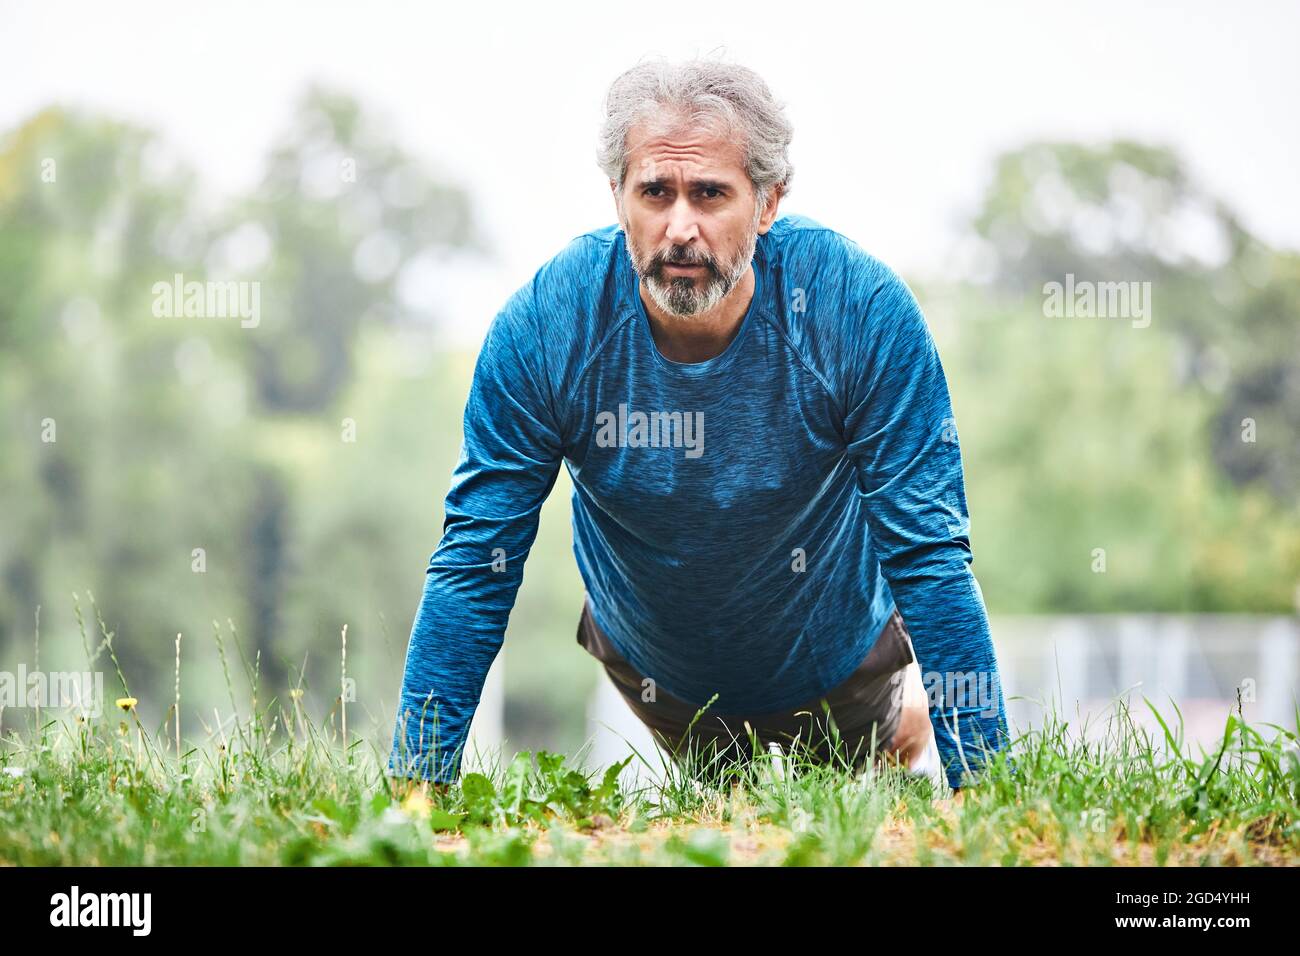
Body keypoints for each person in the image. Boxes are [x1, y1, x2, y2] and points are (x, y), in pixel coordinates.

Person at [388, 57, 1009, 800]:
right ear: (618, 198)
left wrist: (986, 790)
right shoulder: (545, 330)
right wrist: (416, 793)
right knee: (726, 814)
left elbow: (932, 557)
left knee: (852, 798)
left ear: (770, 201)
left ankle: (896, 732)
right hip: (666, 674)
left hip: (842, 662)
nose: (680, 226)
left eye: (710, 194)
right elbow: (474, 562)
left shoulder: (860, 311)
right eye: (656, 192)